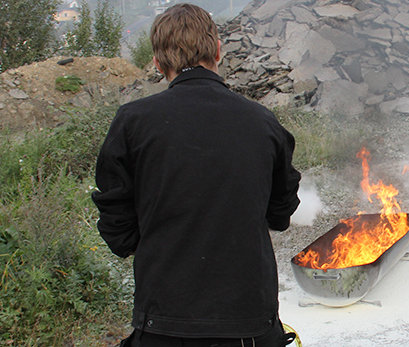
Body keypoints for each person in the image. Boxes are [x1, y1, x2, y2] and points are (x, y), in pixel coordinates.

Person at [91, 3, 301, 346]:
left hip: (164, 322)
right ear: (218, 51)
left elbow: (116, 220)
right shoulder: (263, 122)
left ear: (158, 64)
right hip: (249, 324)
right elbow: (280, 213)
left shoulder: (132, 122)